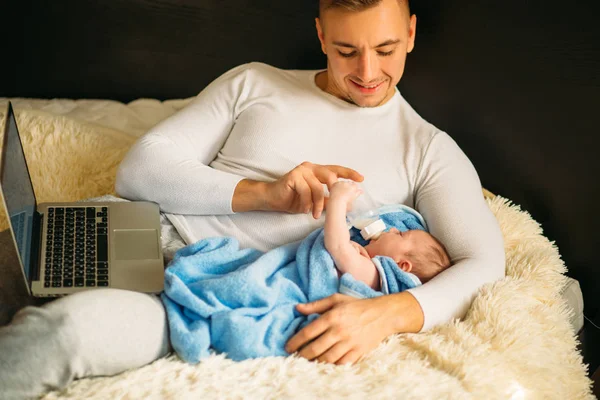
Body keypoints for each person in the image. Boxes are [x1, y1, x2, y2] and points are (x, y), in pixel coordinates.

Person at [0, 0, 505, 398]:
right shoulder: (256, 82)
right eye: (347, 50)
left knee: (61, 335)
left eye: (387, 48)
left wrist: (385, 314)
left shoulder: (427, 148)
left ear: (412, 34)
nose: (368, 71)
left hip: (208, 300)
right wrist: (266, 194)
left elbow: (484, 262)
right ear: (321, 35)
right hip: (139, 229)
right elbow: (140, 169)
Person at [325, 181, 451, 290]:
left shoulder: (373, 275)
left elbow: (338, 247)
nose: (394, 229)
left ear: (402, 265)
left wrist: (337, 201)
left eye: (401, 234)